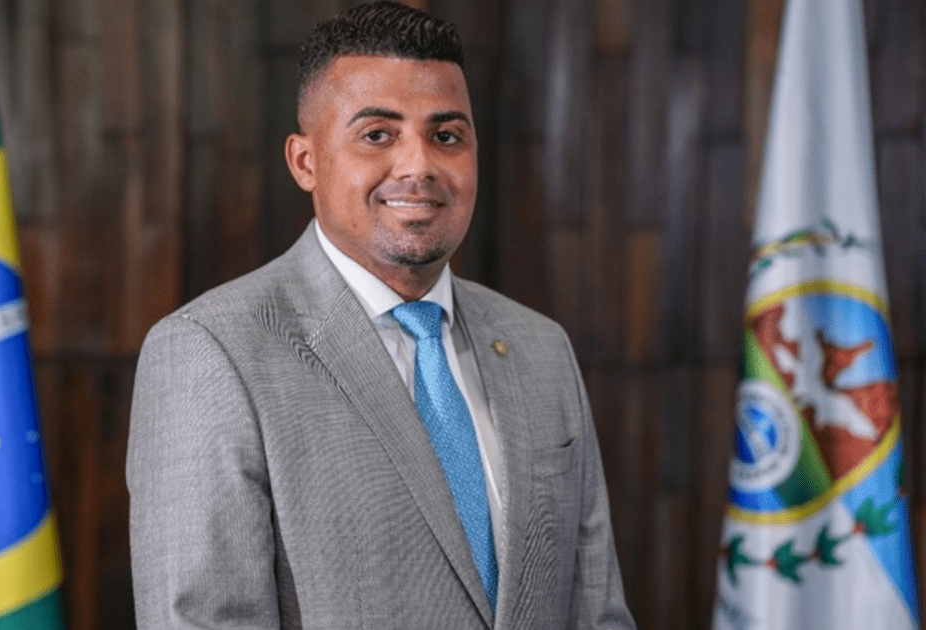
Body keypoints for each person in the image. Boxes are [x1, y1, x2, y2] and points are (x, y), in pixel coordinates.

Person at [126, 2, 635, 628]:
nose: (419, 165)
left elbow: (597, 610)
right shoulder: (210, 353)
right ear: (305, 162)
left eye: (446, 136)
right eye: (377, 135)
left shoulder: (541, 347)